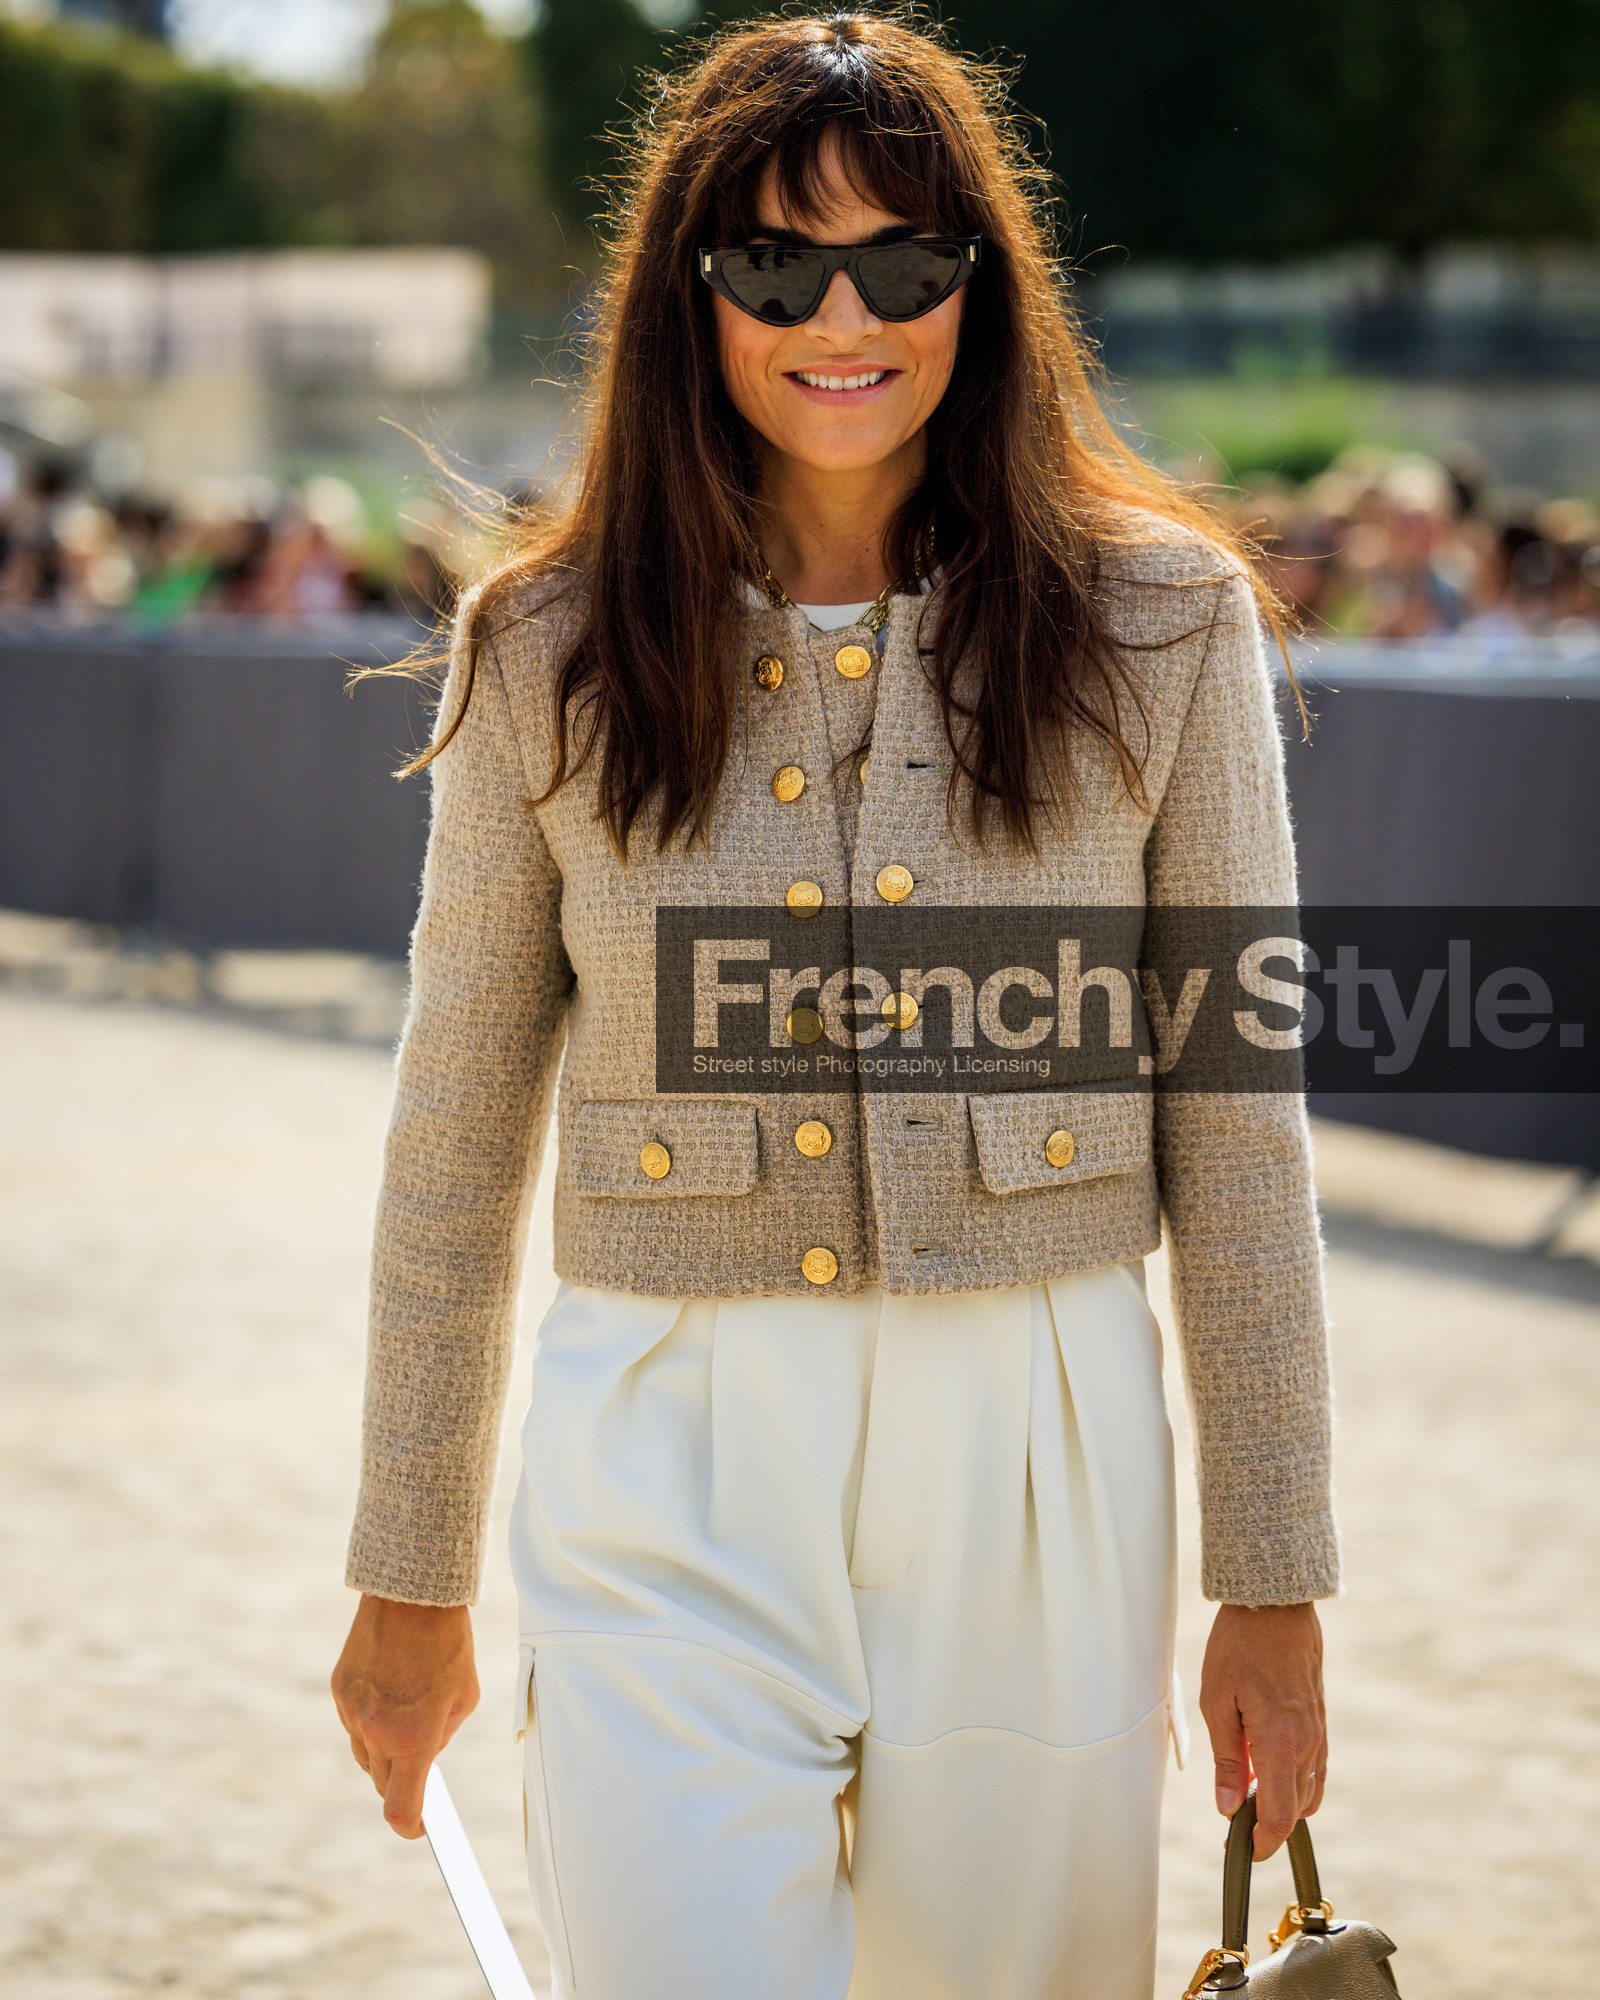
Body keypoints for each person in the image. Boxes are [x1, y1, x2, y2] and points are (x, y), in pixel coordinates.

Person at [331, 16, 1336, 2000]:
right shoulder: (536, 644)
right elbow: (451, 1135)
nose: (840, 315)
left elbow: (1238, 1124)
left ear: (981, 280)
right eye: (774, 267)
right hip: (660, 1449)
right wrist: (408, 1567)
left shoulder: (1164, 625)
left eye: (903, 259)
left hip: (1040, 1451)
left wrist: (1271, 1581)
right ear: (687, 294)